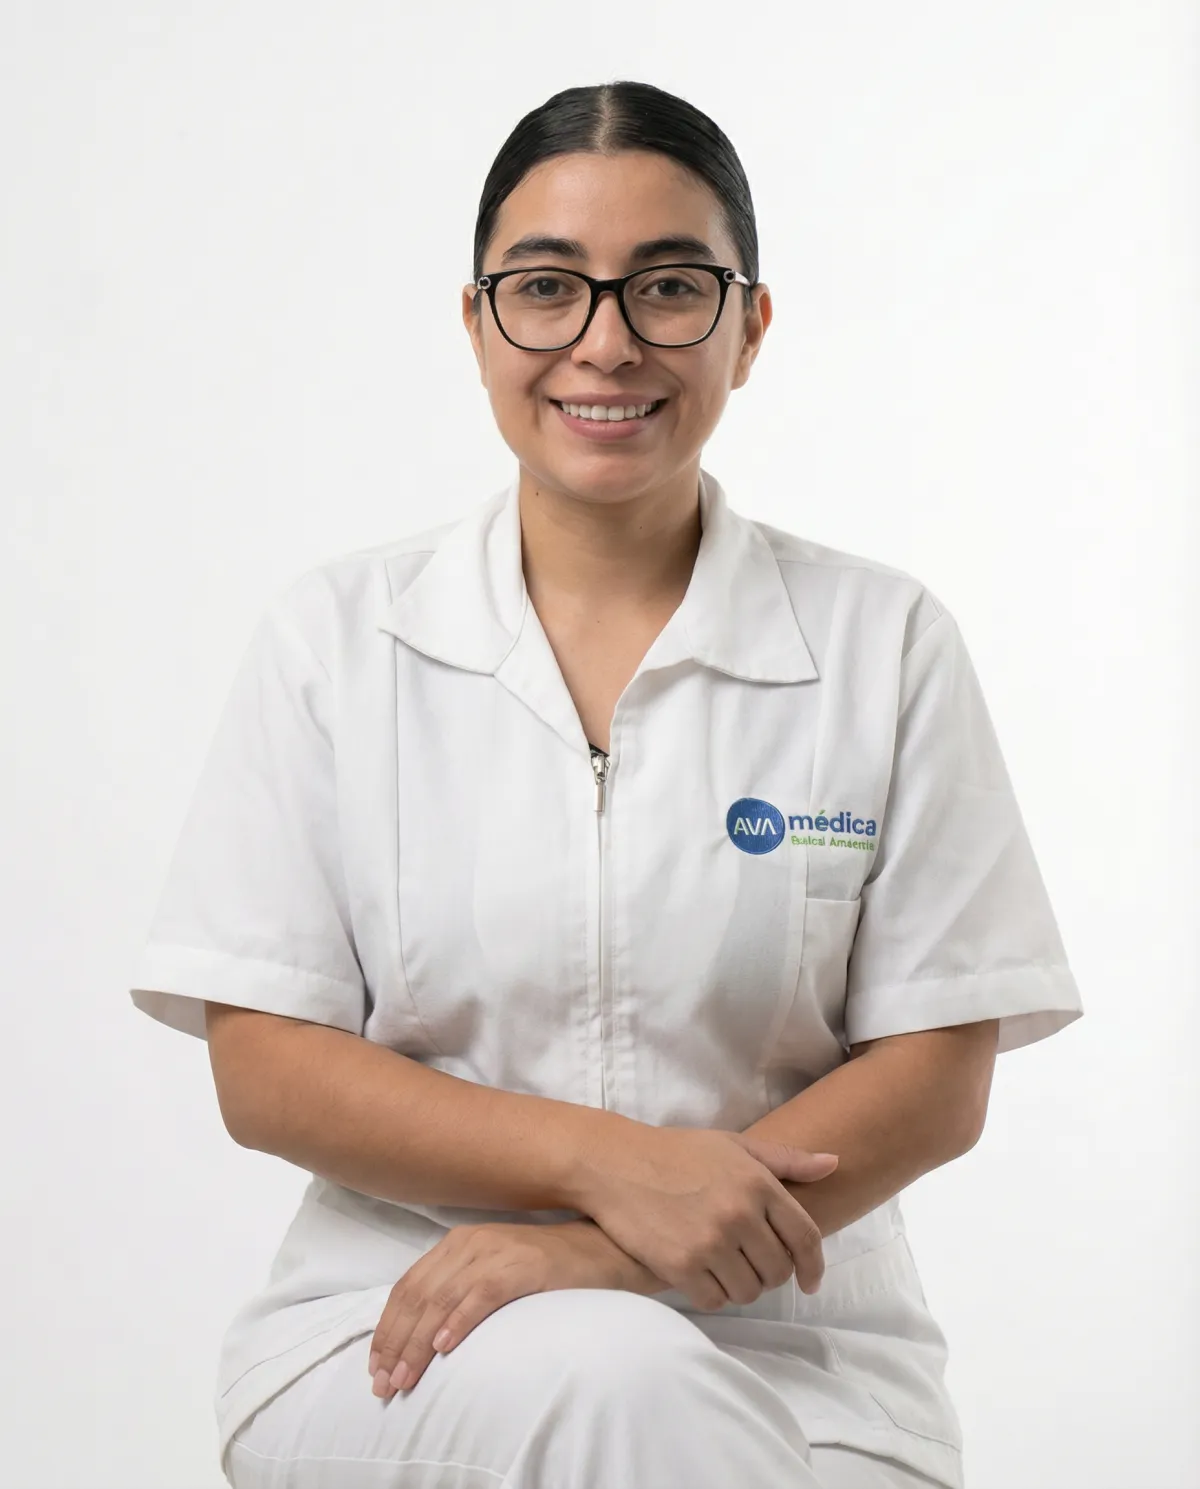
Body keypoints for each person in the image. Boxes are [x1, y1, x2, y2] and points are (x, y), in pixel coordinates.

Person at [129, 79, 1084, 1489]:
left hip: (807, 1359)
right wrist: (604, 1164)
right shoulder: (339, 641)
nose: (606, 341)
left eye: (670, 288)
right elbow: (266, 1062)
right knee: (618, 1383)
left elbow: (938, 1070)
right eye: (546, 288)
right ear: (476, 324)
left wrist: (606, 1253)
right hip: (402, 1329)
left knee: (651, 1389)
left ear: (750, 327)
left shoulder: (881, 644)